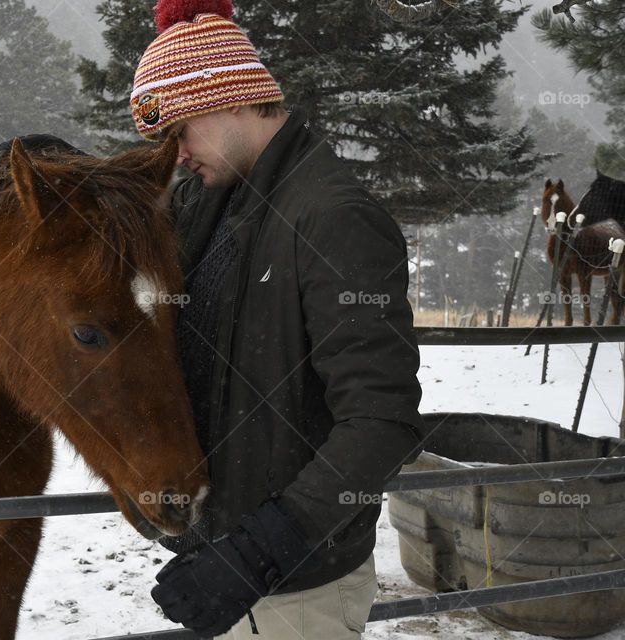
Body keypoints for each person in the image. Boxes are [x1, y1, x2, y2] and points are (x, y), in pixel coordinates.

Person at [129, 1, 431, 638]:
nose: (176, 154)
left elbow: (382, 420)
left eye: (181, 130)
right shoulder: (213, 200)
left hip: (297, 592)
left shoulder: (333, 216)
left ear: (233, 98)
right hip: (221, 568)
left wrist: (262, 549)